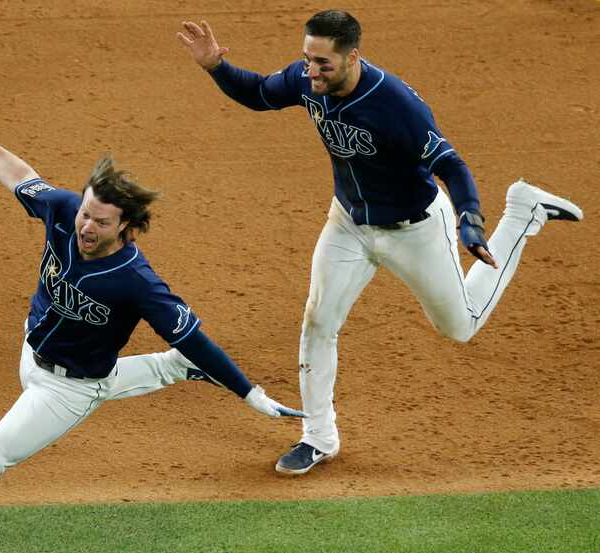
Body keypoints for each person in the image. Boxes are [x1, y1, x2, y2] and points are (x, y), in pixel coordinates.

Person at [0, 93, 304, 553]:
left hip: (67, 390)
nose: (87, 227)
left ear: (126, 226)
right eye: (86, 213)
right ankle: (173, 368)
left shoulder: (137, 283)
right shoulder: (66, 212)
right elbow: (24, 179)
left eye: (101, 222)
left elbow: (195, 338)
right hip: (33, 350)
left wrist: (250, 394)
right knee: (131, 366)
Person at [177, 10, 583, 475]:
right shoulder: (307, 79)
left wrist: (471, 221)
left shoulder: (396, 106)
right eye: (307, 59)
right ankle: (318, 436)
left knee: (461, 326)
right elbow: (259, 95)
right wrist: (215, 66)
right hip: (348, 222)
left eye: (323, 63)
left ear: (353, 56)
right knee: (318, 320)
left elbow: (450, 164)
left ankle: (522, 211)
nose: (311, 71)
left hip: (415, 231)